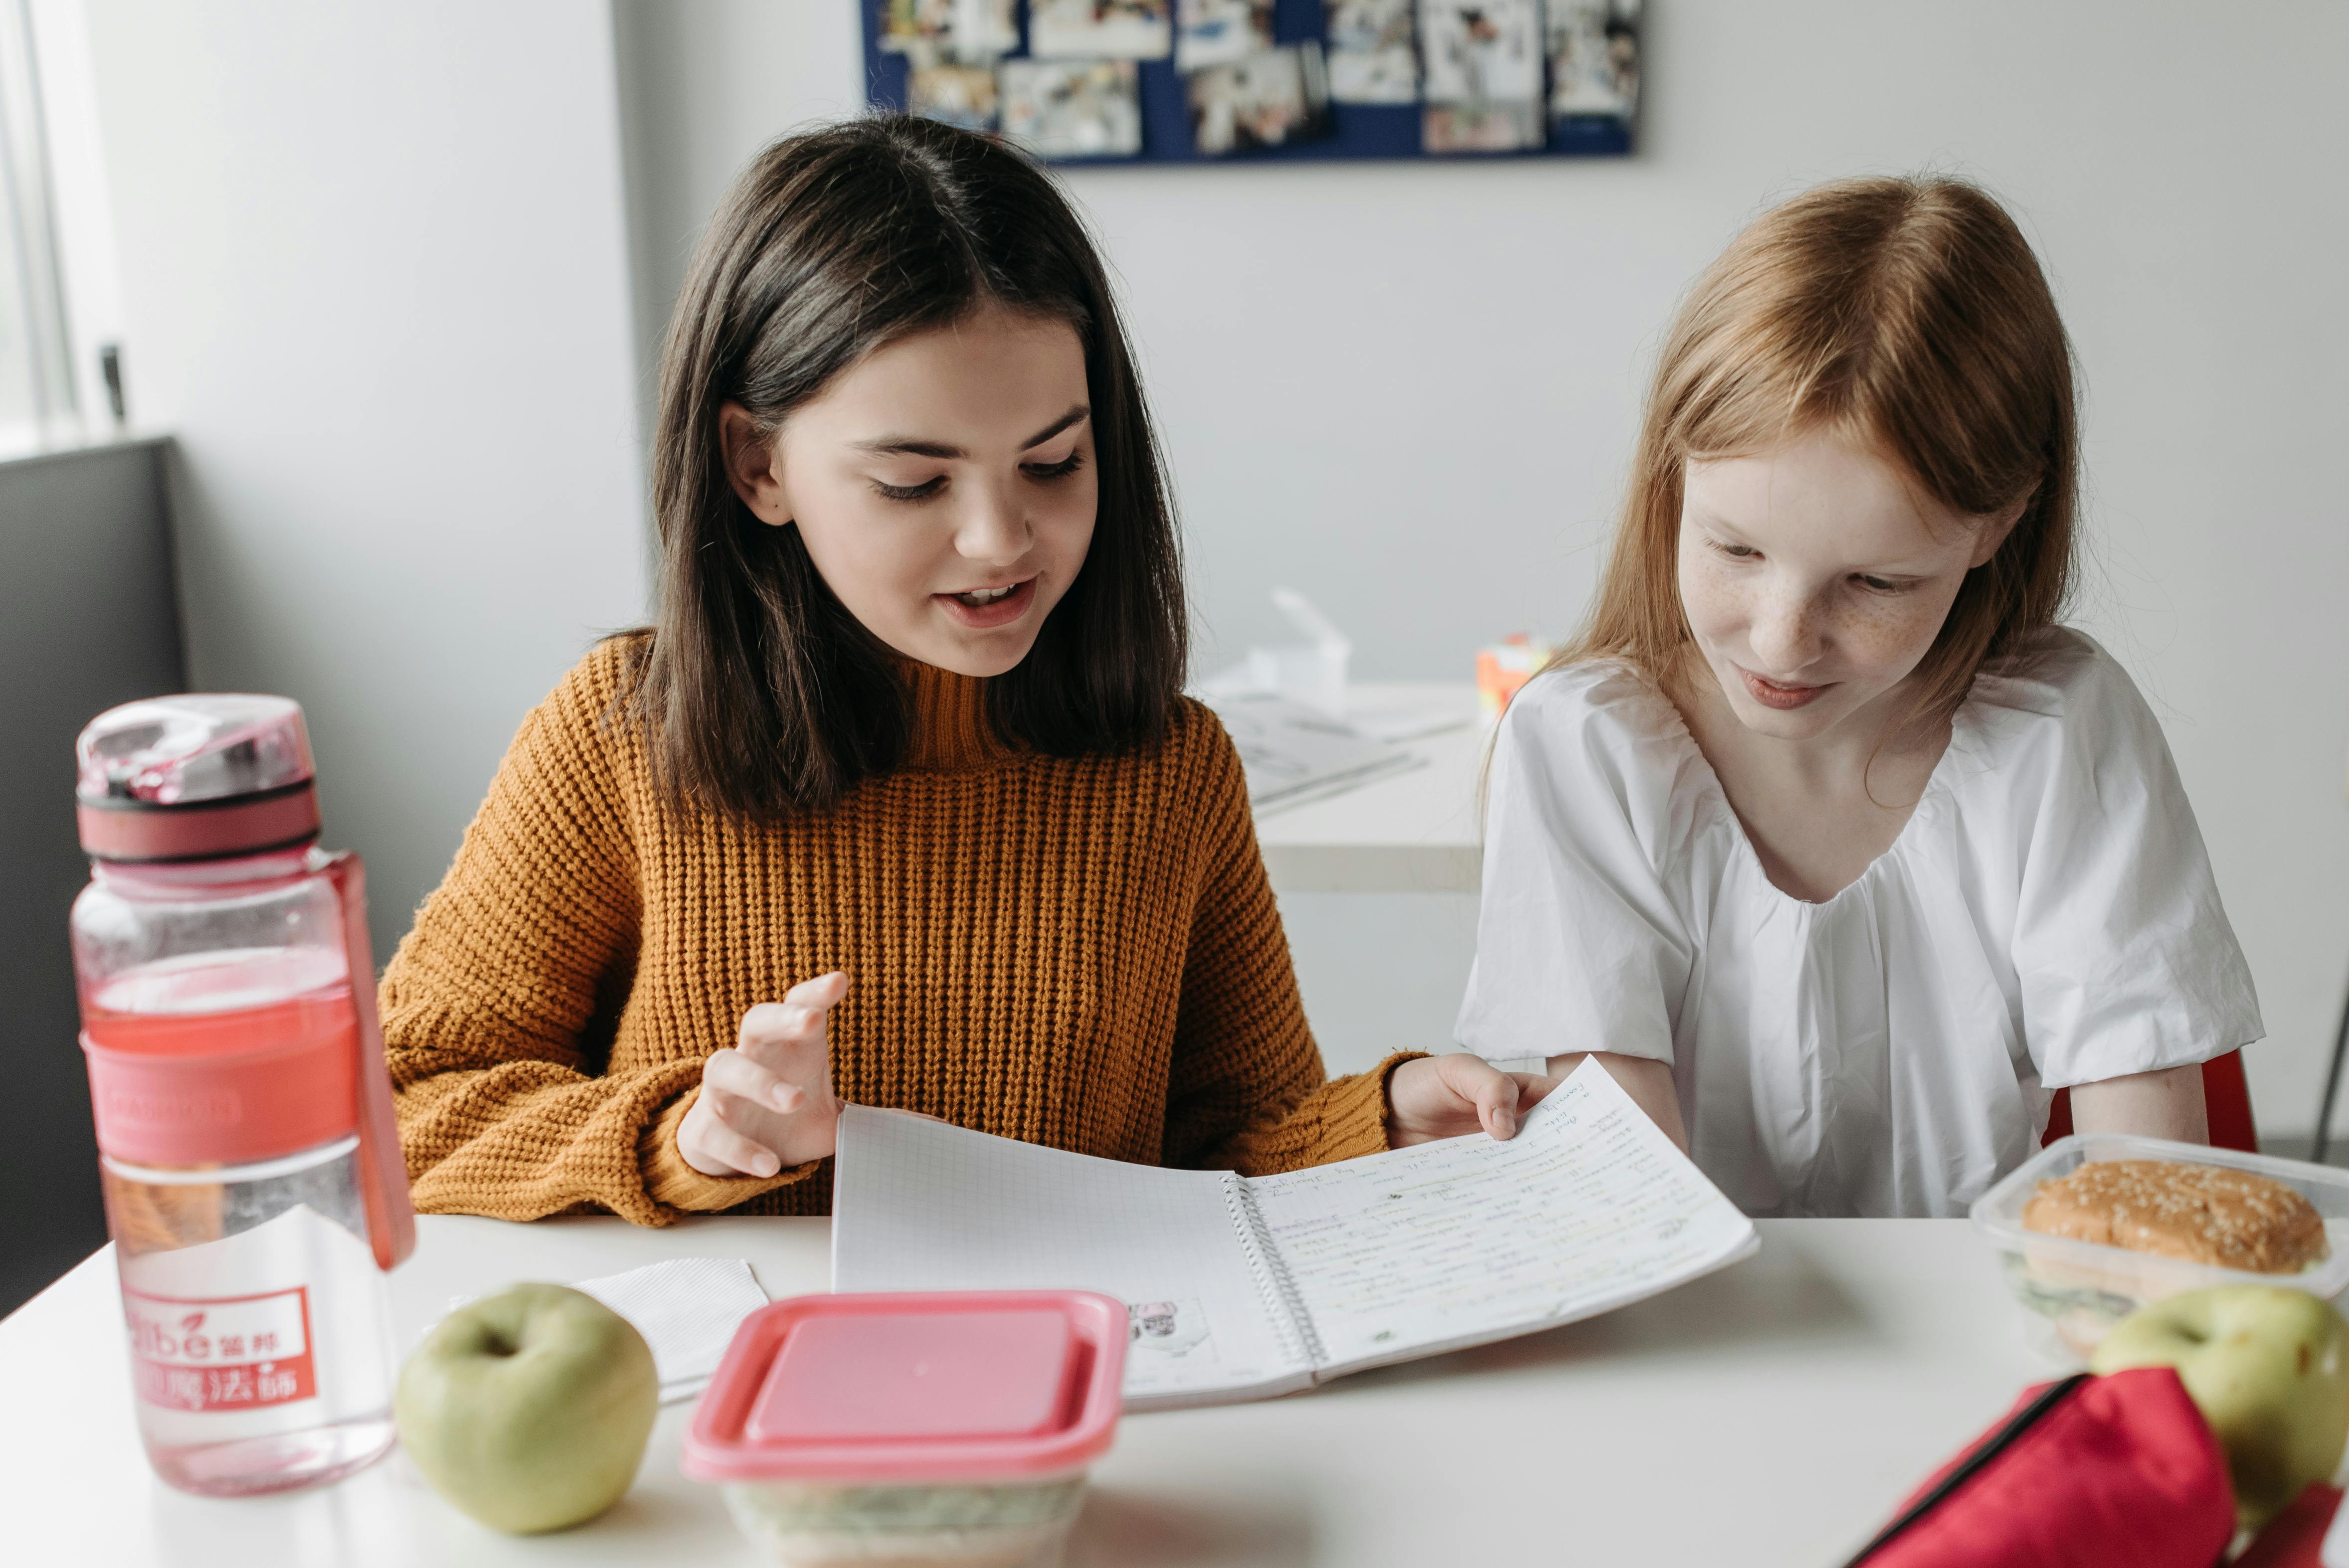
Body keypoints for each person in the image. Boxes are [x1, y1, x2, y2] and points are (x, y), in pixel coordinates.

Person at [382, 116, 1537, 1224]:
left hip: (1089, 1389)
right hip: (743, 1396)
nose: (1000, 539)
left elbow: (1238, 1134)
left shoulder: (1168, 767)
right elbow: (404, 1101)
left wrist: (1378, 1118)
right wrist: (684, 1138)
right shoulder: (623, 733)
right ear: (756, 465)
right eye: (913, 482)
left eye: (1053, 463)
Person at [1455, 175, 2261, 1218]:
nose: (1783, 640)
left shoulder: (2063, 736)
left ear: (1997, 524)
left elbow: (2145, 1193)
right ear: (1671, 478)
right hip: (1686, 1346)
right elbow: (1622, 1206)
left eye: (1876, 582)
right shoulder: (1584, 747)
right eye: (1735, 548)